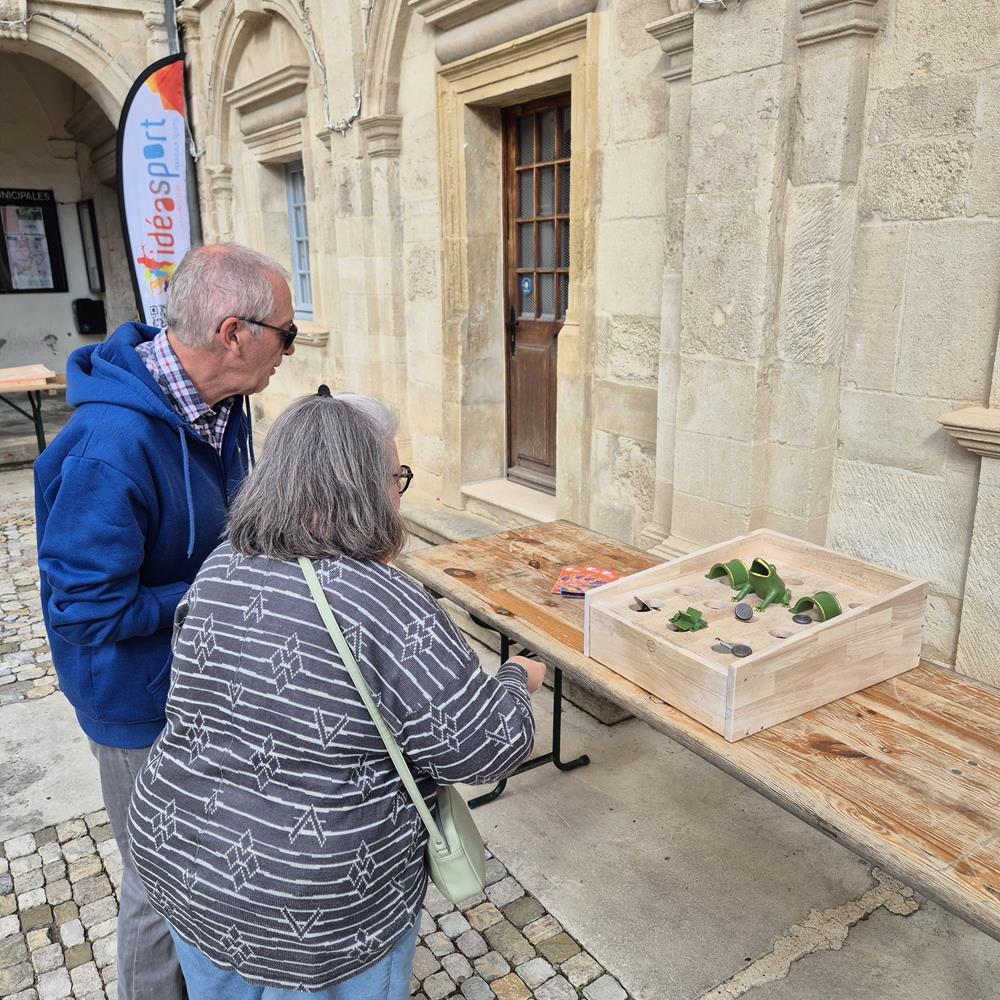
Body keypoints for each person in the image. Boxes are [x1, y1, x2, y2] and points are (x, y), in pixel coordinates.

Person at [127, 390, 546, 999]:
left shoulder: (221, 565)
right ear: (366, 487)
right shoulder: (383, 601)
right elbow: (485, 750)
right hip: (317, 910)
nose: (398, 492)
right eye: (395, 476)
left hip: (185, 866)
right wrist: (517, 680)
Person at [34, 243, 297, 1000]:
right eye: (286, 332)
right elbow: (87, 609)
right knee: (157, 879)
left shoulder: (221, 405)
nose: (289, 349)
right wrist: (210, 590)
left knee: (201, 857)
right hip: (132, 699)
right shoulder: (109, 447)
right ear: (233, 332)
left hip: (197, 675)